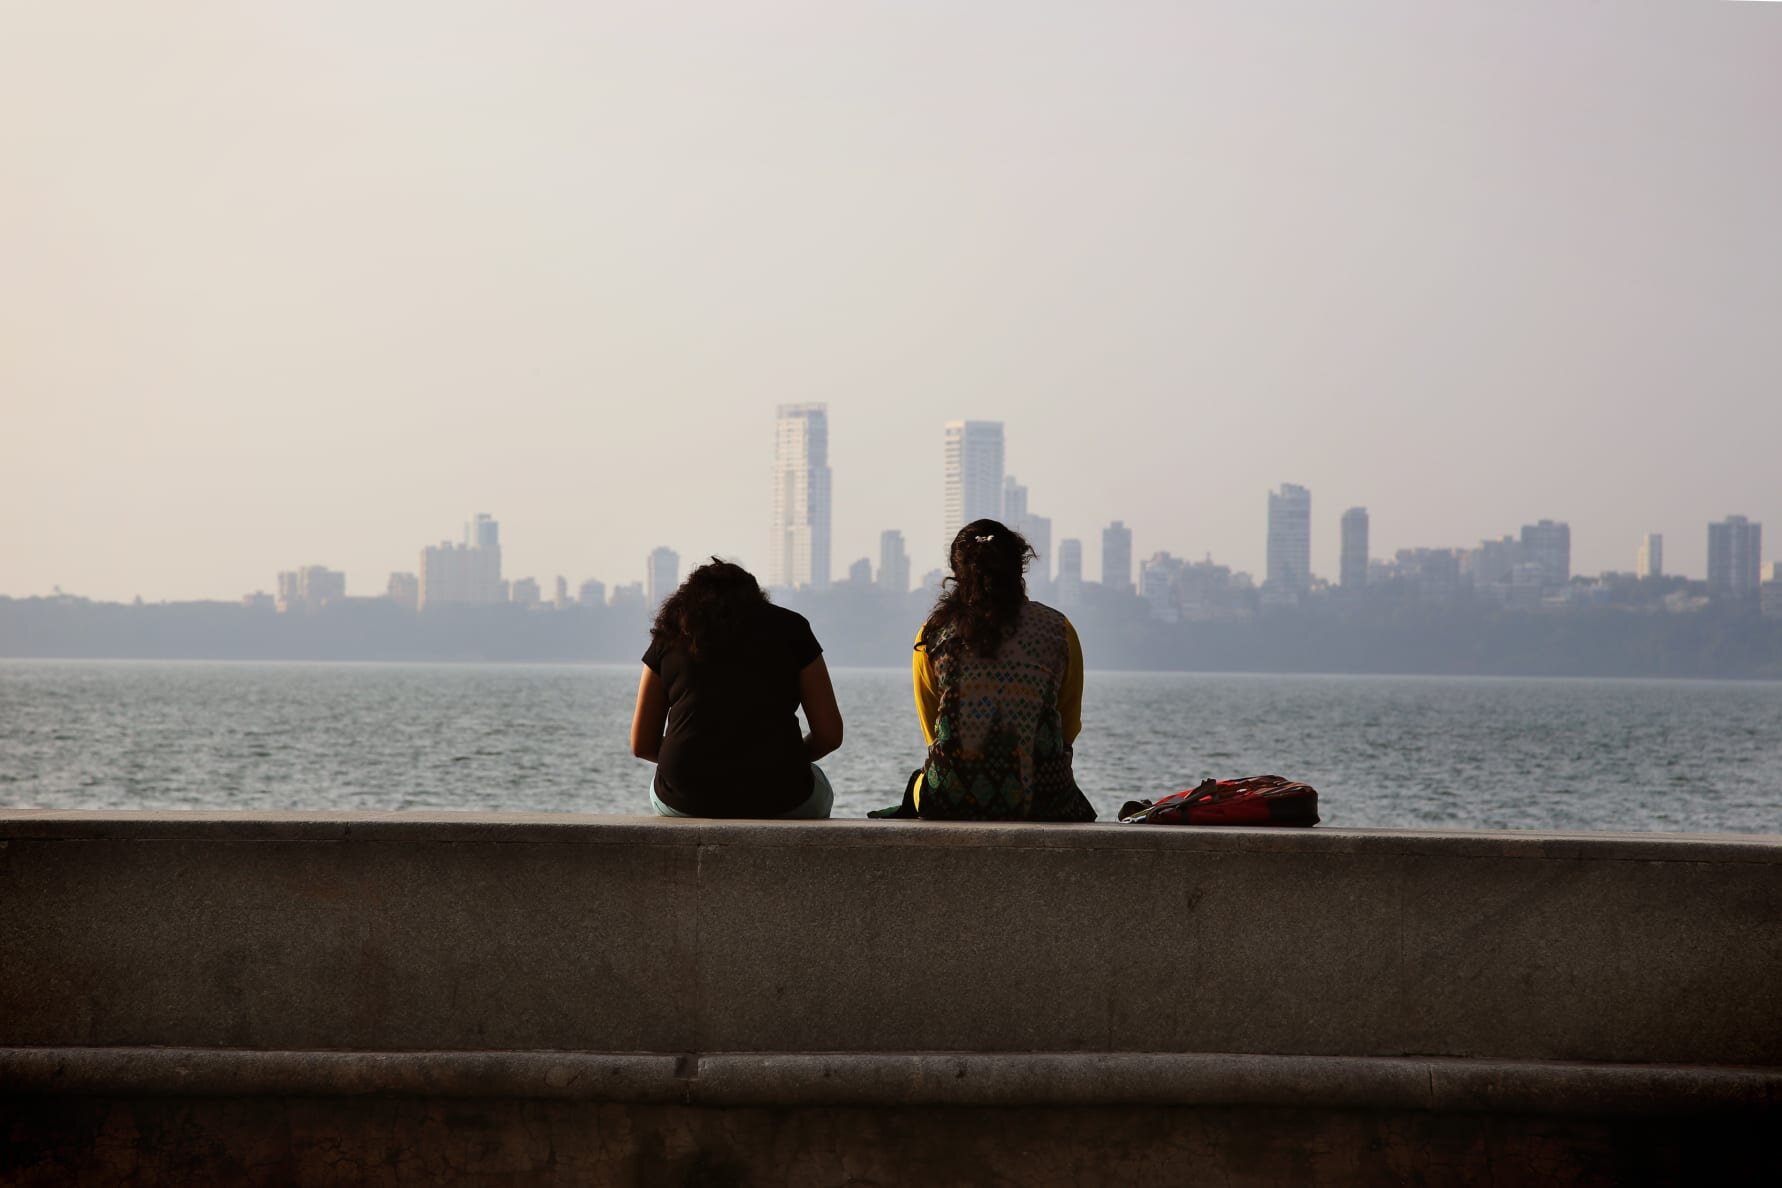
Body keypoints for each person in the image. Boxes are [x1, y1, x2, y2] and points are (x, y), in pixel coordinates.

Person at [884, 518, 1095, 821]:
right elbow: (1068, 729)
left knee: (917, 786)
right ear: (1019, 569)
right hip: (1043, 800)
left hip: (949, 799)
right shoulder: (1059, 629)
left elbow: (933, 733)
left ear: (957, 572)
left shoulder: (932, 634)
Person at [630, 558, 843, 818]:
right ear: (756, 597)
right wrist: (788, 760)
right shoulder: (792, 628)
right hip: (783, 796)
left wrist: (696, 765)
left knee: (661, 789)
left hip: (684, 801)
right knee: (820, 787)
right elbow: (830, 735)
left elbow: (642, 744)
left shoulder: (672, 632)